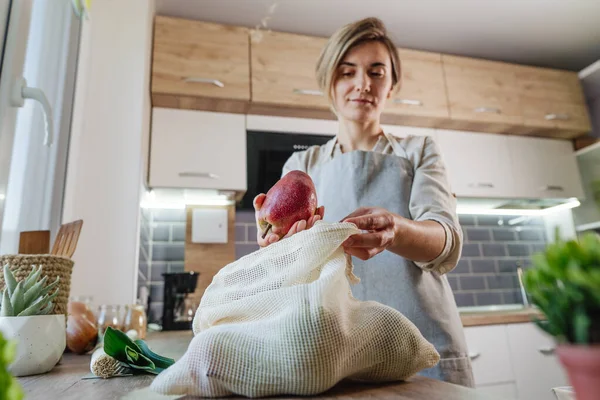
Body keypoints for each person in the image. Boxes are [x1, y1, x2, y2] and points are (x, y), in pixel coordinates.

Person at [253, 17, 474, 387]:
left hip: (423, 346)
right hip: (334, 348)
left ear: (391, 85)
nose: (363, 84)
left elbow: (447, 245)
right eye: (347, 71)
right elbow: (290, 272)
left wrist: (396, 230)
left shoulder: (420, 151)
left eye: (376, 72)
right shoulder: (302, 167)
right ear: (330, 81)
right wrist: (275, 246)